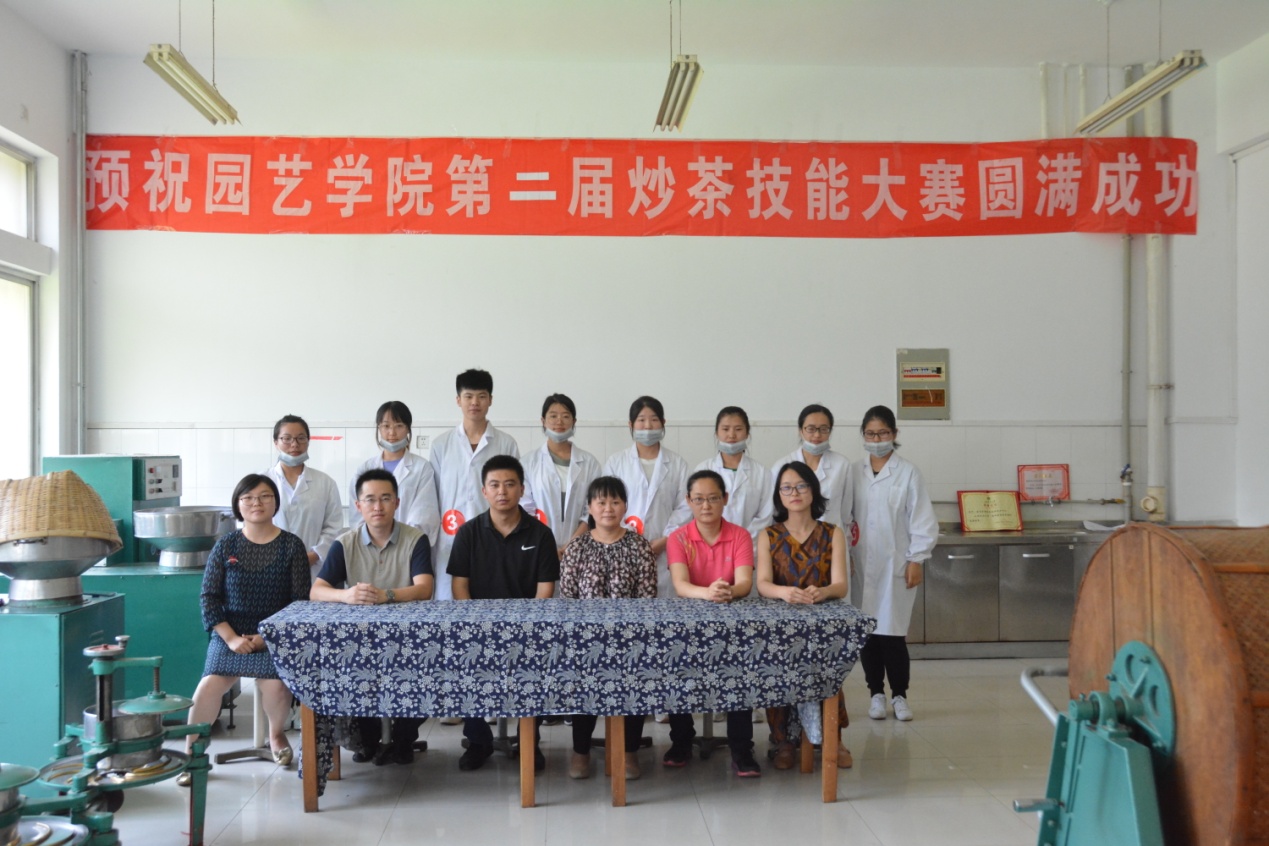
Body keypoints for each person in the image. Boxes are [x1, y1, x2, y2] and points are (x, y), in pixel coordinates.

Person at [178, 474, 310, 786]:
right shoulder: (226, 545)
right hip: (229, 633)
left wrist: (267, 637)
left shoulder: (292, 546)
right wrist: (231, 638)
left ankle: (276, 737)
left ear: (275, 502)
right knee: (208, 686)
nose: (256, 503)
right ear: (238, 505)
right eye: (248, 498)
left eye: (264, 496)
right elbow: (209, 597)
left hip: (275, 635)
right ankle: (192, 754)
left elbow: (300, 601)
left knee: (276, 685)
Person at [311, 469, 435, 764]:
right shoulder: (345, 543)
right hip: (360, 638)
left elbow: (424, 588)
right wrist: (346, 595)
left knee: (423, 669)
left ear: (397, 502)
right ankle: (367, 738)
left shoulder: (415, 539)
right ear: (358, 505)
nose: (378, 506)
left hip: (408, 635)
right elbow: (317, 590)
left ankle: (403, 739)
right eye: (370, 500)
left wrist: (386, 595)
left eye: (385, 499)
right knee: (350, 672)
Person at [447, 455, 558, 772]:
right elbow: (460, 586)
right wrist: (477, 626)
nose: (502, 491)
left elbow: (545, 590)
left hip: (528, 629)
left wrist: (526, 629)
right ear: (484, 491)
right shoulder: (468, 533)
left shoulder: (541, 535)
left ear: (522, 489)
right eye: (494, 485)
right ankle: (478, 740)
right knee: (462, 662)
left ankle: (529, 740)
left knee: (537, 665)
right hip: (478, 627)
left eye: (510, 484)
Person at [557, 475, 656, 781]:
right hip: (586, 640)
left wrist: (630, 637)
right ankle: (581, 751)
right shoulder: (577, 547)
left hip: (630, 638)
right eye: (601, 502)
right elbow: (568, 599)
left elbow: (647, 598)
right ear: (589, 507)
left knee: (636, 678)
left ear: (625, 506)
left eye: (615, 501)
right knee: (582, 680)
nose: (608, 508)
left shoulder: (639, 545)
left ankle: (629, 751)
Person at [755, 461, 853, 770]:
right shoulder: (769, 535)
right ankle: (784, 741)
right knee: (778, 675)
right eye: (786, 488)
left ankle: (834, 739)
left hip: (821, 621)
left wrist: (823, 592)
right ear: (778, 495)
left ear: (813, 490)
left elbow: (841, 585)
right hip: (781, 621)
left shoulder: (832, 533)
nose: (794, 493)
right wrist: (784, 592)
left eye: (801, 486)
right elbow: (762, 584)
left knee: (828, 674)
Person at [663, 470, 761, 778]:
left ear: (725, 499)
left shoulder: (740, 535)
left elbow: (744, 582)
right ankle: (681, 741)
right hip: (689, 620)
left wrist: (727, 591)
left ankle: (741, 748)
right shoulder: (678, 537)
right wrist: (708, 592)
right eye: (699, 499)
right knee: (677, 670)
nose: (706, 505)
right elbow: (681, 585)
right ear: (688, 500)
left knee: (740, 673)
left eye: (713, 498)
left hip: (730, 617)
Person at [852, 405, 937, 722]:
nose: (876, 440)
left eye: (883, 433)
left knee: (893, 634)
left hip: (896, 566)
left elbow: (922, 519)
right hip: (861, 565)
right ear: (863, 435)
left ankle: (899, 695)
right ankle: (875, 694)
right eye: (871, 434)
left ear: (894, 434)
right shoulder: (853, 472)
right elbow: (846, 518)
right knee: (868, 635)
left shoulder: (908, 472)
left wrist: (917, 559)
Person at [430, 369, 533, 602]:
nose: (474, 402)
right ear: (458, 400)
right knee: (450, 602)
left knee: (494, 597)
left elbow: (515, 492)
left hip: (495, 537)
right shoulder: (441, 445)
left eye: (481, 396)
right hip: (450, 539)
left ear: (490, 400)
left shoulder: (506, 443)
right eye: (468, 396)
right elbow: (433, 496)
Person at [602, 395, 692, 599]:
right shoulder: (616, 462)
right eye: (641, 420)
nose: (648, 426)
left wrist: (665, 539)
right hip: (623, 547)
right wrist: (630, 538)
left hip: (667, 548)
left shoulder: (678, 464)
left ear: (663, 422)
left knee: (665, 605)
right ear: (631, 424)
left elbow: (685, 507)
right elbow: (607, 506)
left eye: (654, 419)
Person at [349, 401, 440, 547]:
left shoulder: (422, 468)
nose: (392, 432)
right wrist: (373, 542)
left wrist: (401, 544)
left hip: (409, 546)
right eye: (386, 426)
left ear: (408, 429)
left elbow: (424, 514)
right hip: (370, 547)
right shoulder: (365, 469)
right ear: (379, 428)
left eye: (399, 426)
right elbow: (357, 515)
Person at [266, 414, 344, 582]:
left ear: (308, 442)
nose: (294, 444)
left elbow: (334, 527)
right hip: (270, 567)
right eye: (287, 438)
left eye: (301, 438)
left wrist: (314, 555)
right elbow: (253, 525)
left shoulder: (325, 483)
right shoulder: (263, 481)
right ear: (276, 443)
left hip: (314, 570)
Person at [522, 393, 600, 559]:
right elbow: (525, 509)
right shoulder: (528, 462)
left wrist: (572, 544)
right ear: (543, 421)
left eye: (565, 416)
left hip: (581, 547)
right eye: (553, 416)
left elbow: (592, 510)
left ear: (574, 421)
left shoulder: (590, 462)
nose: (559, 422)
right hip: (538, 545)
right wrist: (546, 544)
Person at [695, 405, 773, 549]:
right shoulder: (703, 470)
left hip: (750, 547)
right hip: (710, 546)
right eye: (725, 429)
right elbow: (696, 511)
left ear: (747, 433)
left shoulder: (762, 473)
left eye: (738, 429)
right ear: (716, 433)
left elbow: (765, 516)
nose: (731, 435)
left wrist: (741, 541)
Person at [772, 404, 854, 535]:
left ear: (830, 431)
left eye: (823, 429)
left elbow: (846, 512)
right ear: (800, 430)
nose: (817, 435)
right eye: (811, 429)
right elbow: (775, 510)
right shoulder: (782, 465)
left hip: (831, 539)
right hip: (791, 539)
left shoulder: (842, 464)